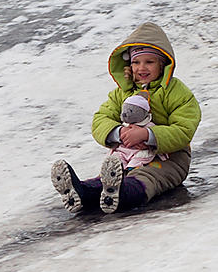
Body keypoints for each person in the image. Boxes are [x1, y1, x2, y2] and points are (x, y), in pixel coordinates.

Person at [51, 22, 201, 214]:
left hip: (169, 158)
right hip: (126, 154)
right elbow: (101, 119)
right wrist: (118, 133)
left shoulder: (176, 92)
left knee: (147, 177)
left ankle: (123, 194)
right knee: (111, 175)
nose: (142, 68)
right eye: (136, 62)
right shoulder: (123, 92)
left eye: (149, 62)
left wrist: (148, 135)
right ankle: (81, 192)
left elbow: (184, 129)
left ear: (163, 63)